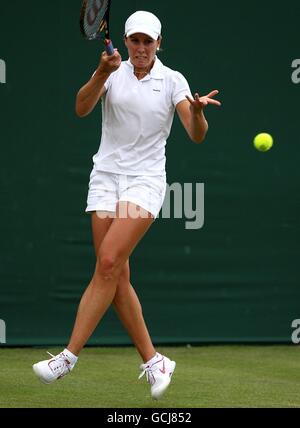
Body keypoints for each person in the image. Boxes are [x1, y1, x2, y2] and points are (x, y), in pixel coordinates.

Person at [32, 10, 221, 400]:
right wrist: (102, 72)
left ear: (158, 44)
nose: (140, 48)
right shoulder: (112, 72)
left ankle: (68, 356)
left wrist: (198, 113)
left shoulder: (173, 80)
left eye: (147, 42)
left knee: (107, 262)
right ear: (126, 41)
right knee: (115, 275)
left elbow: (195, 133)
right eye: (134, 41)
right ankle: (154, 361)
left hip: (145, 183)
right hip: (105, 178)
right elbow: (81, 107)